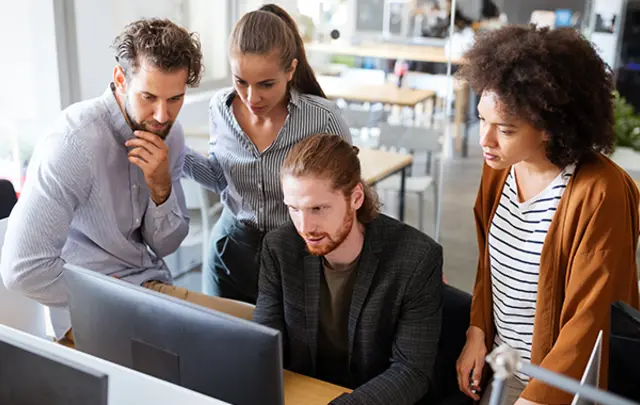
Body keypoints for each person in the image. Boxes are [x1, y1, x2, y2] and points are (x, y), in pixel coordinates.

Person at [0, 19, 252, 347]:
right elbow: (22, 270)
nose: (163, 115)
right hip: (93, 311)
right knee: (227, 357)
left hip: (150, 287)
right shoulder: (74, 143)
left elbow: (165, 245)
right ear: (120, 79)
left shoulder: (169, 135)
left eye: (175, 99)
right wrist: (111, 298)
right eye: (149, 96)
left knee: (260, 331)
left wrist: (161, 189)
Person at [454, 25, 640, 405]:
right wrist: (477, 329)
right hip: (504, 372)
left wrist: (536, 397)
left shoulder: (600, 192)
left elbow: (591, 321)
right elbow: (490, 266)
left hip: (553, 388)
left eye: (505, 129)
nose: (484, 141)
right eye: (482, 120)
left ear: (548, 128)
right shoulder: (500, 168)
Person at [253, 133, 443, 405]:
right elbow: (265, 343)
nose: (304, 226)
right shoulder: (279, 248)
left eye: (318, 208)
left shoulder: (417, 258)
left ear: (355, 197)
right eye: (294, 208)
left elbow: (411, 371)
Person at [182, 4, 351, 303]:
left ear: (290, 70)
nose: (251, 97)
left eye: (266, 84)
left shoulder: (322, 118)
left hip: (296, 258)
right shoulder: (219, 109)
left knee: (285, 348)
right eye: (240, 81)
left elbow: (348, 197)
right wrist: (174, 153)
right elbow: (221, 178)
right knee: (222, 346)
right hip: (230, 254)